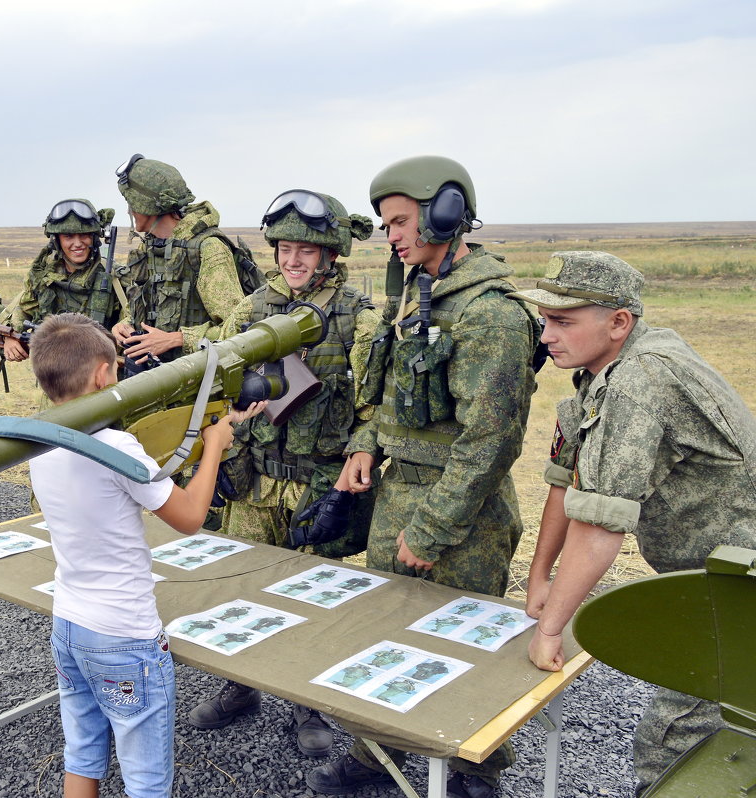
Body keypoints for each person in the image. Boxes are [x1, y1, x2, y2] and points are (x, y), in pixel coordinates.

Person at [308, 156, 539, 798]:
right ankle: (376, 751)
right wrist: (364, 446)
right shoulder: (415, 293)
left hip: (461, 518)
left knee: (459, 649)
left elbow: (491, 443)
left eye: (403, 221)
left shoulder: (489, 313)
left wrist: (432, 528)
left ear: (446, 213)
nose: (393, 237)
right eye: (385, 226)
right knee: (384, 635)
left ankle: (474, 770)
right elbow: (389, 393)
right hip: (398, 498)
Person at [509, 250, 756, 795]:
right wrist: (539, 577)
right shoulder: (606, 369)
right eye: (545, 320)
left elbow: (601, 528)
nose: (547, 335)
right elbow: (567, 477)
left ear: (619, 322)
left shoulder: (638, 382)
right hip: (716, 580)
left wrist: (552, 630)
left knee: (673, 745)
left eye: (564, 321)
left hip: (741, 592)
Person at [27, 312, 264, 798]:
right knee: (147, 777)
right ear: (103, 375)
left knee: (83, 753)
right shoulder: (118, 448)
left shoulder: (36, 440)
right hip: (124, 636)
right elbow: (190, 516)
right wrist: (215, 443)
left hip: (69, 624)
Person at [187, 190, 380, 758]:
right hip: (255, 480)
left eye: (307, 251)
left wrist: (359, 456)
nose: (294, 261)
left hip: (315, 483)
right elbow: (215, 386)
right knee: (242, 586)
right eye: (286, 249)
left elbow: (376, 405)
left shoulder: (358, 318)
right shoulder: (250, 312)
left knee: (312, 597)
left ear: (329, 255)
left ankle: (309, 704)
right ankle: (240, 685)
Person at [109, 155, 245, 367]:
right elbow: (139, 310)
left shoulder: (207, 249)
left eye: (131, 203)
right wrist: (124, 326)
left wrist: (176, 339)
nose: (129, 210)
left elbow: (239, 330)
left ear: (147, 205)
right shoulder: (149, 248)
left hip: (196, 382)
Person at [0, 199, 123, 363]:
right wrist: (12, 336)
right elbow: (25, 308)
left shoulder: (114, 277)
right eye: (68, 237)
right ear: (57, 240)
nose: (77, 244)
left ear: (94, 237)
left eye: (84, 235)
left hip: (102, 369)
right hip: (57, 369)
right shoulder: (44, 275)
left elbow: (130, 320)